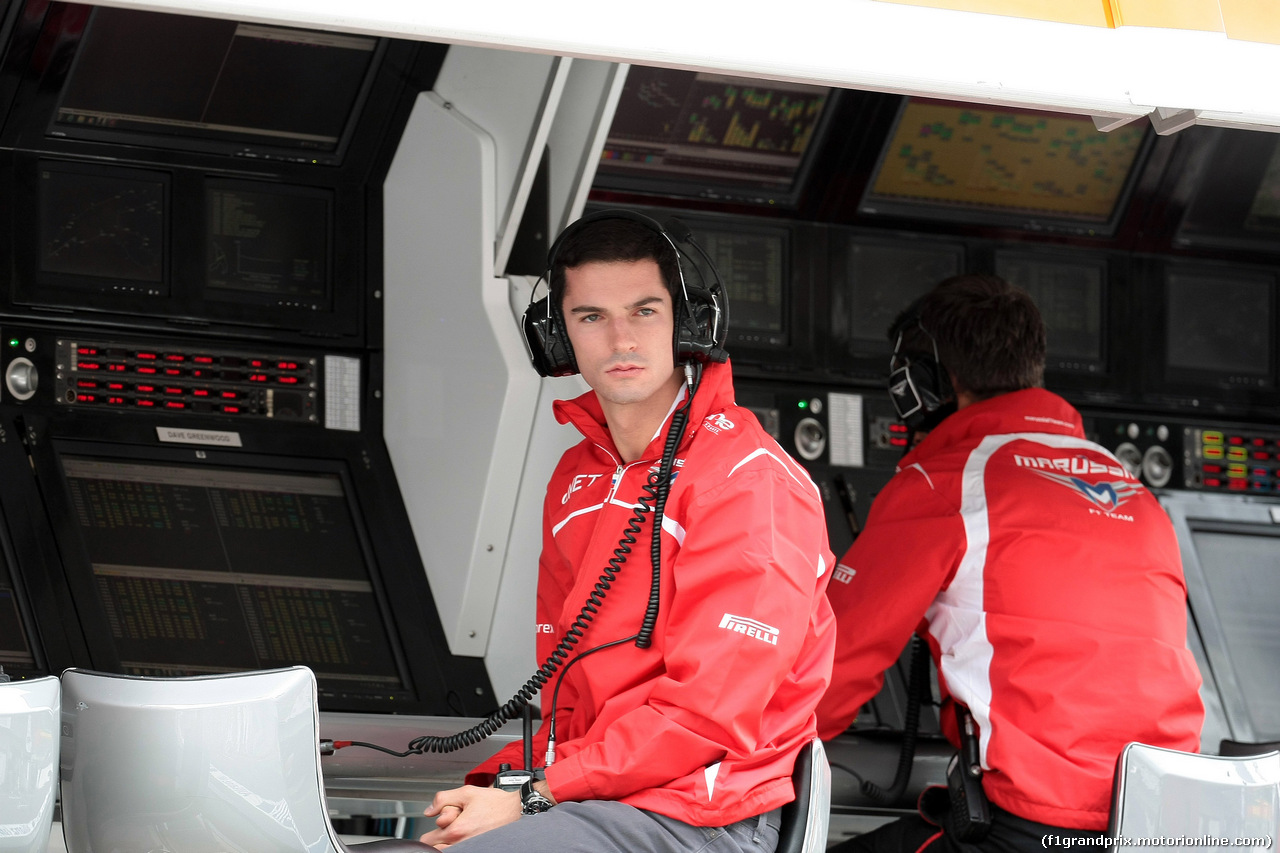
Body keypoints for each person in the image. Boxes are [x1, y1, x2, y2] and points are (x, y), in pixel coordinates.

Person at [420, 211, 837, 853]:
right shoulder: (577, 475)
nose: (620, 339)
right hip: (596, 796)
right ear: (557, 336)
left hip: (702, 814)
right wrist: (515, 785)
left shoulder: (750, 482)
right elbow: (564, 689)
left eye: (644, 311)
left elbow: (705, 716)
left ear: (688, 322)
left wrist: (534, 796)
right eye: (591, 317)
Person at [815, 274, 1204, 853]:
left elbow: (829, 669)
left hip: (1039, 827)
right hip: (1171, 823)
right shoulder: (1131, 489)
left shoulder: (943, 483)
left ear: (923, 384)